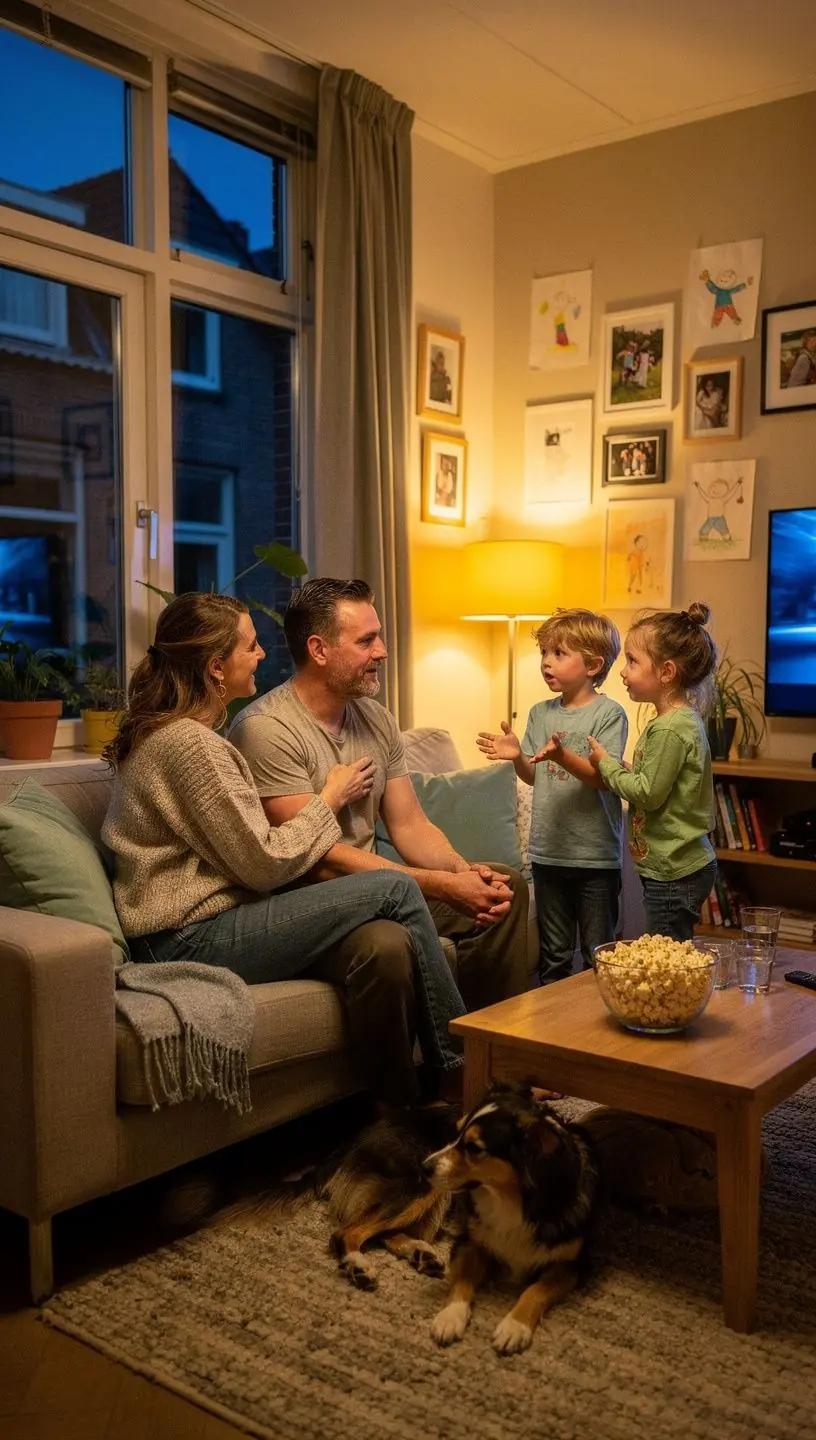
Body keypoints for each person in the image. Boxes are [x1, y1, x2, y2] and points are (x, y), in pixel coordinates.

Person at [101, 592, 466, 1107]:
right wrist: (329, 798)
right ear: (215, 668)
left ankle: (449, 1075)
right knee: (394, 885)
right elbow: (267, 864)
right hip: (184, 938)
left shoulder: (184, 736)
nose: (263, 656)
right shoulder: (189, 745)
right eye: (250, 647)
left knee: (396, 901)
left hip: (200, 927)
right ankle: (458, 1070)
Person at [229, 579, 529, 1012]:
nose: (383, 651)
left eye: (380, 636)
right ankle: (428, 1075)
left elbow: (409, 823)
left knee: (505, 887)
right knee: (388, 944)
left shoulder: (377, 718)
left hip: (386, 888)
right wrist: (445, 885)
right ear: (319, 650)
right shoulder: (266, 730)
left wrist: (464, 873)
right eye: (367, 640)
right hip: (313, 905)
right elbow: (319, 860)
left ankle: (489, 1061)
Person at [477, 609, 627, 985]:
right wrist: (516, 757)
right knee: (555, 957)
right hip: (547, 855)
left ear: (593, 664)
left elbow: (602, 779)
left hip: (594, 859)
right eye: (544, 652)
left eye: (559, 653)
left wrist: (563, 756)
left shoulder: (610, 714)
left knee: (600, 957)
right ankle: (553, 1035)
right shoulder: (539, 713)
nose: (546, 662)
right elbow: (533, 776)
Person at [562, 603, 718, 943]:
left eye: (632, 661)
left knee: (665, 958)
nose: (623, 671)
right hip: (674, 866)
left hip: (674, 870)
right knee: (671, 951)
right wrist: (627, 769)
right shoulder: (678, 721)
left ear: (666, 672)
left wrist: (605, 763)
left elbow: (648, 793)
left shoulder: (669, 729)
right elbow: (661, 782)